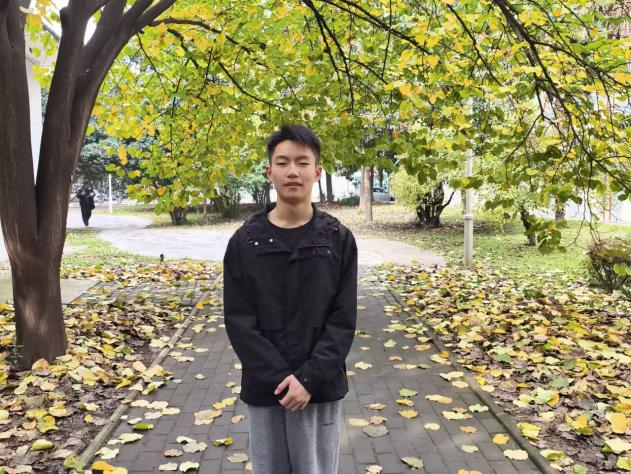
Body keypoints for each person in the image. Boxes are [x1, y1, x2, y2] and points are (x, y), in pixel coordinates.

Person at [223, 124, 358, 474]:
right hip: (266, 388)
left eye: (302, 162)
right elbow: (239, 322)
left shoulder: (338, 239)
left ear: (317, 171)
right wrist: (281, 379)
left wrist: (308, 379)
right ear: (269, 172)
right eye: (282, 162)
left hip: (320, 387)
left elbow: (343, 320)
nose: (292, 171)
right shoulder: (245, 242)